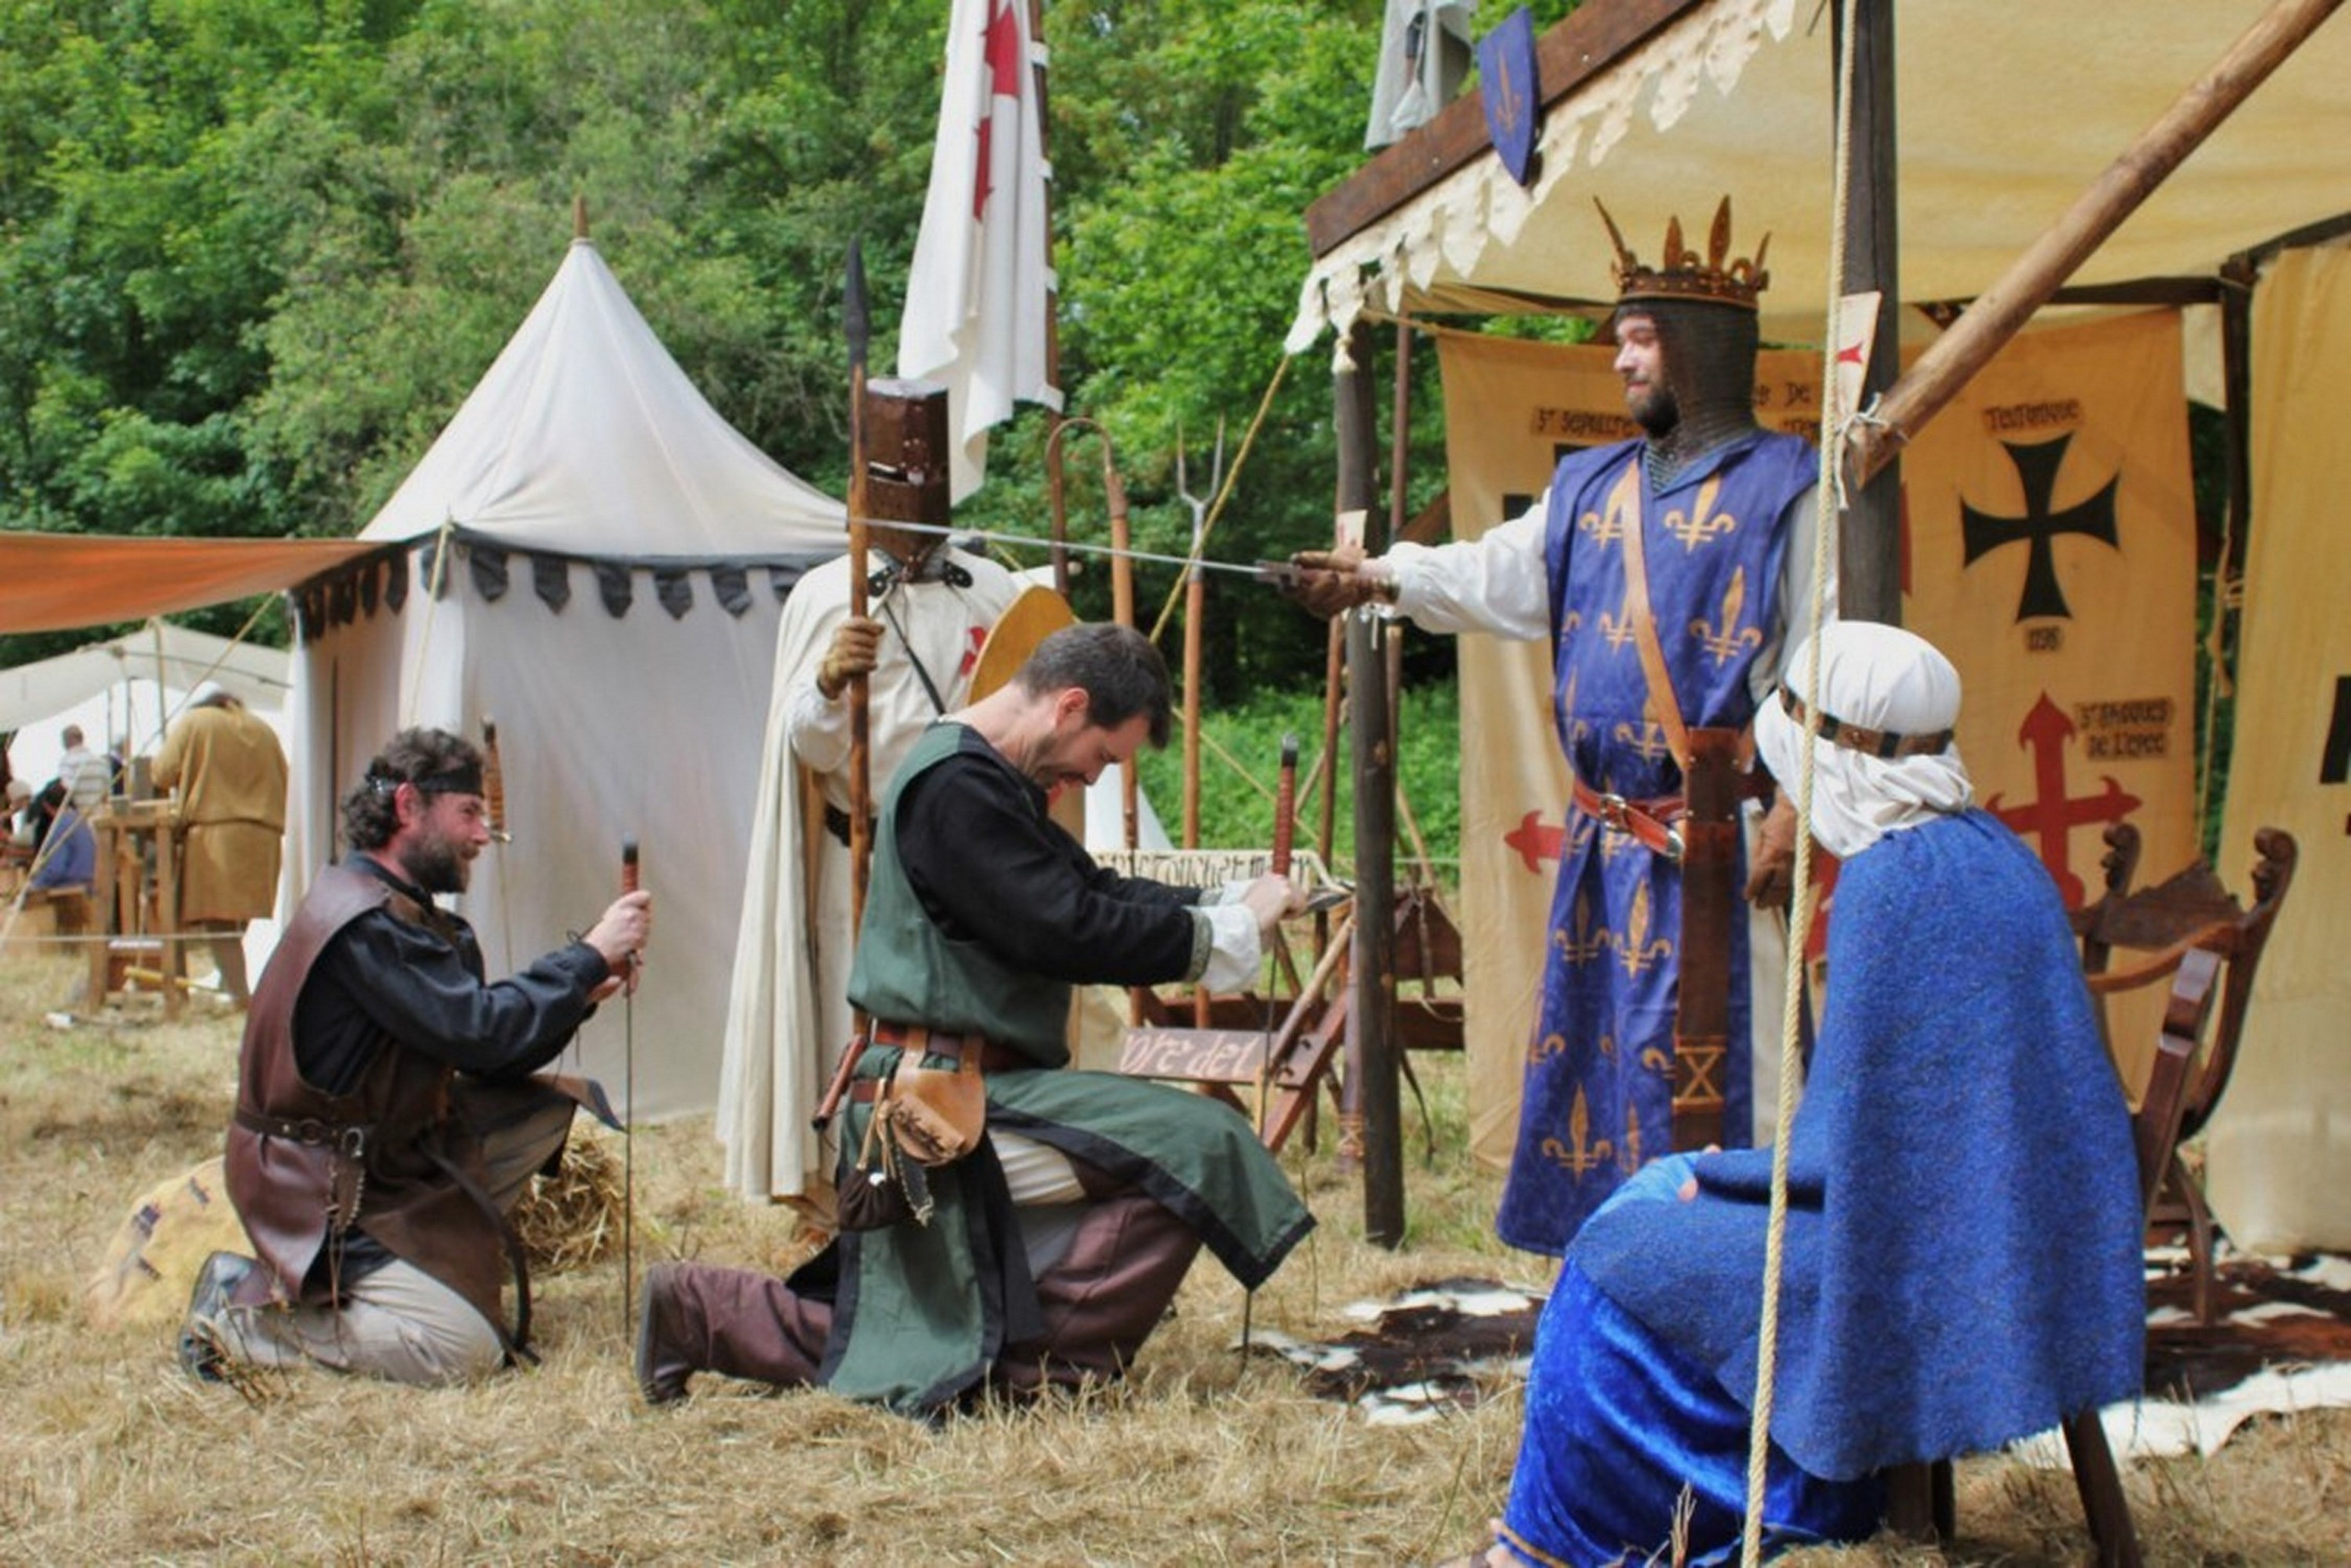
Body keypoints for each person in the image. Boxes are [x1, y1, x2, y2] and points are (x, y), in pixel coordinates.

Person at [1460, 622, 2145, 1566]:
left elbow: (1853, 1163)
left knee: (1617, 1249)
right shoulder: (1984, 848)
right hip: (2005, 1222)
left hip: (1927, 1254)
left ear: (1837, 749)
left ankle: (1583, 1539)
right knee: (1663, 1188)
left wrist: (1730, 1181)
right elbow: (1903, 1131)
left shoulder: (1889, 886)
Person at [1286, 197, 1828, 1255]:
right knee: (1605, 1069)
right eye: (1620, 339)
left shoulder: (1787, 490)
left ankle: (1738, 1290)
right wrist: (1376, 577)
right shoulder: (1592, 486)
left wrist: (1792, 812)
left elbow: (1819, 654)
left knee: (1733, 1077)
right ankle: (1620, 1285)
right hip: (1606, 850)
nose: (1619, 363)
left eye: (1638, 341)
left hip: (1716, 846)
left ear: (1701, 352)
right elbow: (1498, 574)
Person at [641, 624, 1314, 1415]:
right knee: (1192, 1149)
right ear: (1069, 705)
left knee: (931, 1330)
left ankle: (1022, 1360)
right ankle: (1039, 1376)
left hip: (976, 1089)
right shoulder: (957, 789)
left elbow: (1090, 890)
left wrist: (1224, 903)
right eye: (1101, 755)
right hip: (931, 1103)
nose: (1094, 779)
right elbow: (1065, 927)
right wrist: (1225, 937)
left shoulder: (987, 781)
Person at [177, 726, 652, 1387]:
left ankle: (423, 1269)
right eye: (468, 813)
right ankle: (243, 1317)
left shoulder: (401, 915)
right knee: (460, 1351)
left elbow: (489, 1057)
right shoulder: (366, 924)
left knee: (544, 1110)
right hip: (323, 1184)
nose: (482, 836)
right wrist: (587, 954)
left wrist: (579, 993)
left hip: (385, 1157)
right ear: (408, 806)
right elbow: (480, 1030)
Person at [718, 377, 1020, 1210]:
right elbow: (805, 749)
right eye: (898, 488)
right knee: (861, 1028)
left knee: (962, 1027)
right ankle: (851, 1193)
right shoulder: (829, 594)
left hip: (968, 860)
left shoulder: (993, 592)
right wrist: (825, 681)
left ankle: (962, 1178)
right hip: (862, 849)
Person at [151, 682, 290, 1004]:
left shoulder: (196, 721)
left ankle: (241, 996)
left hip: (217, 833)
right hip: (264, 836)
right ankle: (236, 987)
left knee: (219, 919)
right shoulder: (263, 728)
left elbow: (161, 772)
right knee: (237, 921)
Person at [55, 724, 111, 817]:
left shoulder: (67, 762)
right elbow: (107, 794)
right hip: (99, 817)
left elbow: (67, 790)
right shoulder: (101, 762)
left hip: (78, 821)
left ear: (69, 739)